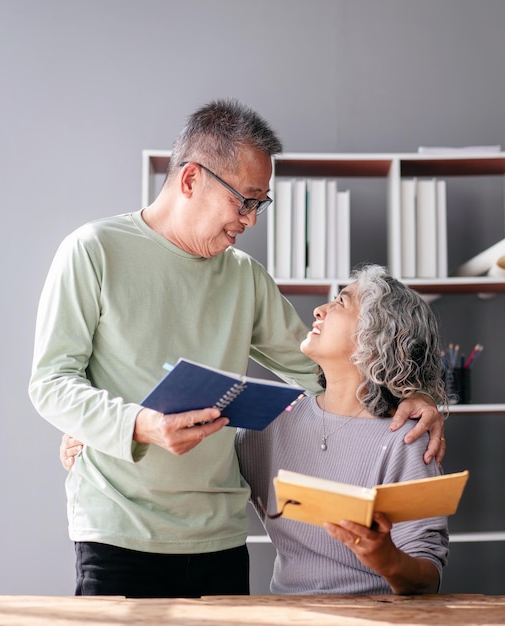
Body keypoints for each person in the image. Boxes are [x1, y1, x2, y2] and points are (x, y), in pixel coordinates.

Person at [33, 98, 445, 599]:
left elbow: (326, 370)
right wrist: (134, 425)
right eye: (244, 200)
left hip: (219, 540)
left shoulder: (245, 276)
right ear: (190, 180)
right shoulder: (92, 250)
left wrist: (415, 392)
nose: (251, 221)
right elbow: (51, 383)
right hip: (118, 529)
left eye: (259, 204)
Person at [235, 265, 449, 595]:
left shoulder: (405, 441)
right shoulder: (272, 423)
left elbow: (427, 578)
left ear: (376, 341)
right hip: (286, 616)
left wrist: (387, 559)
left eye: (340, 303)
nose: (319, 311)